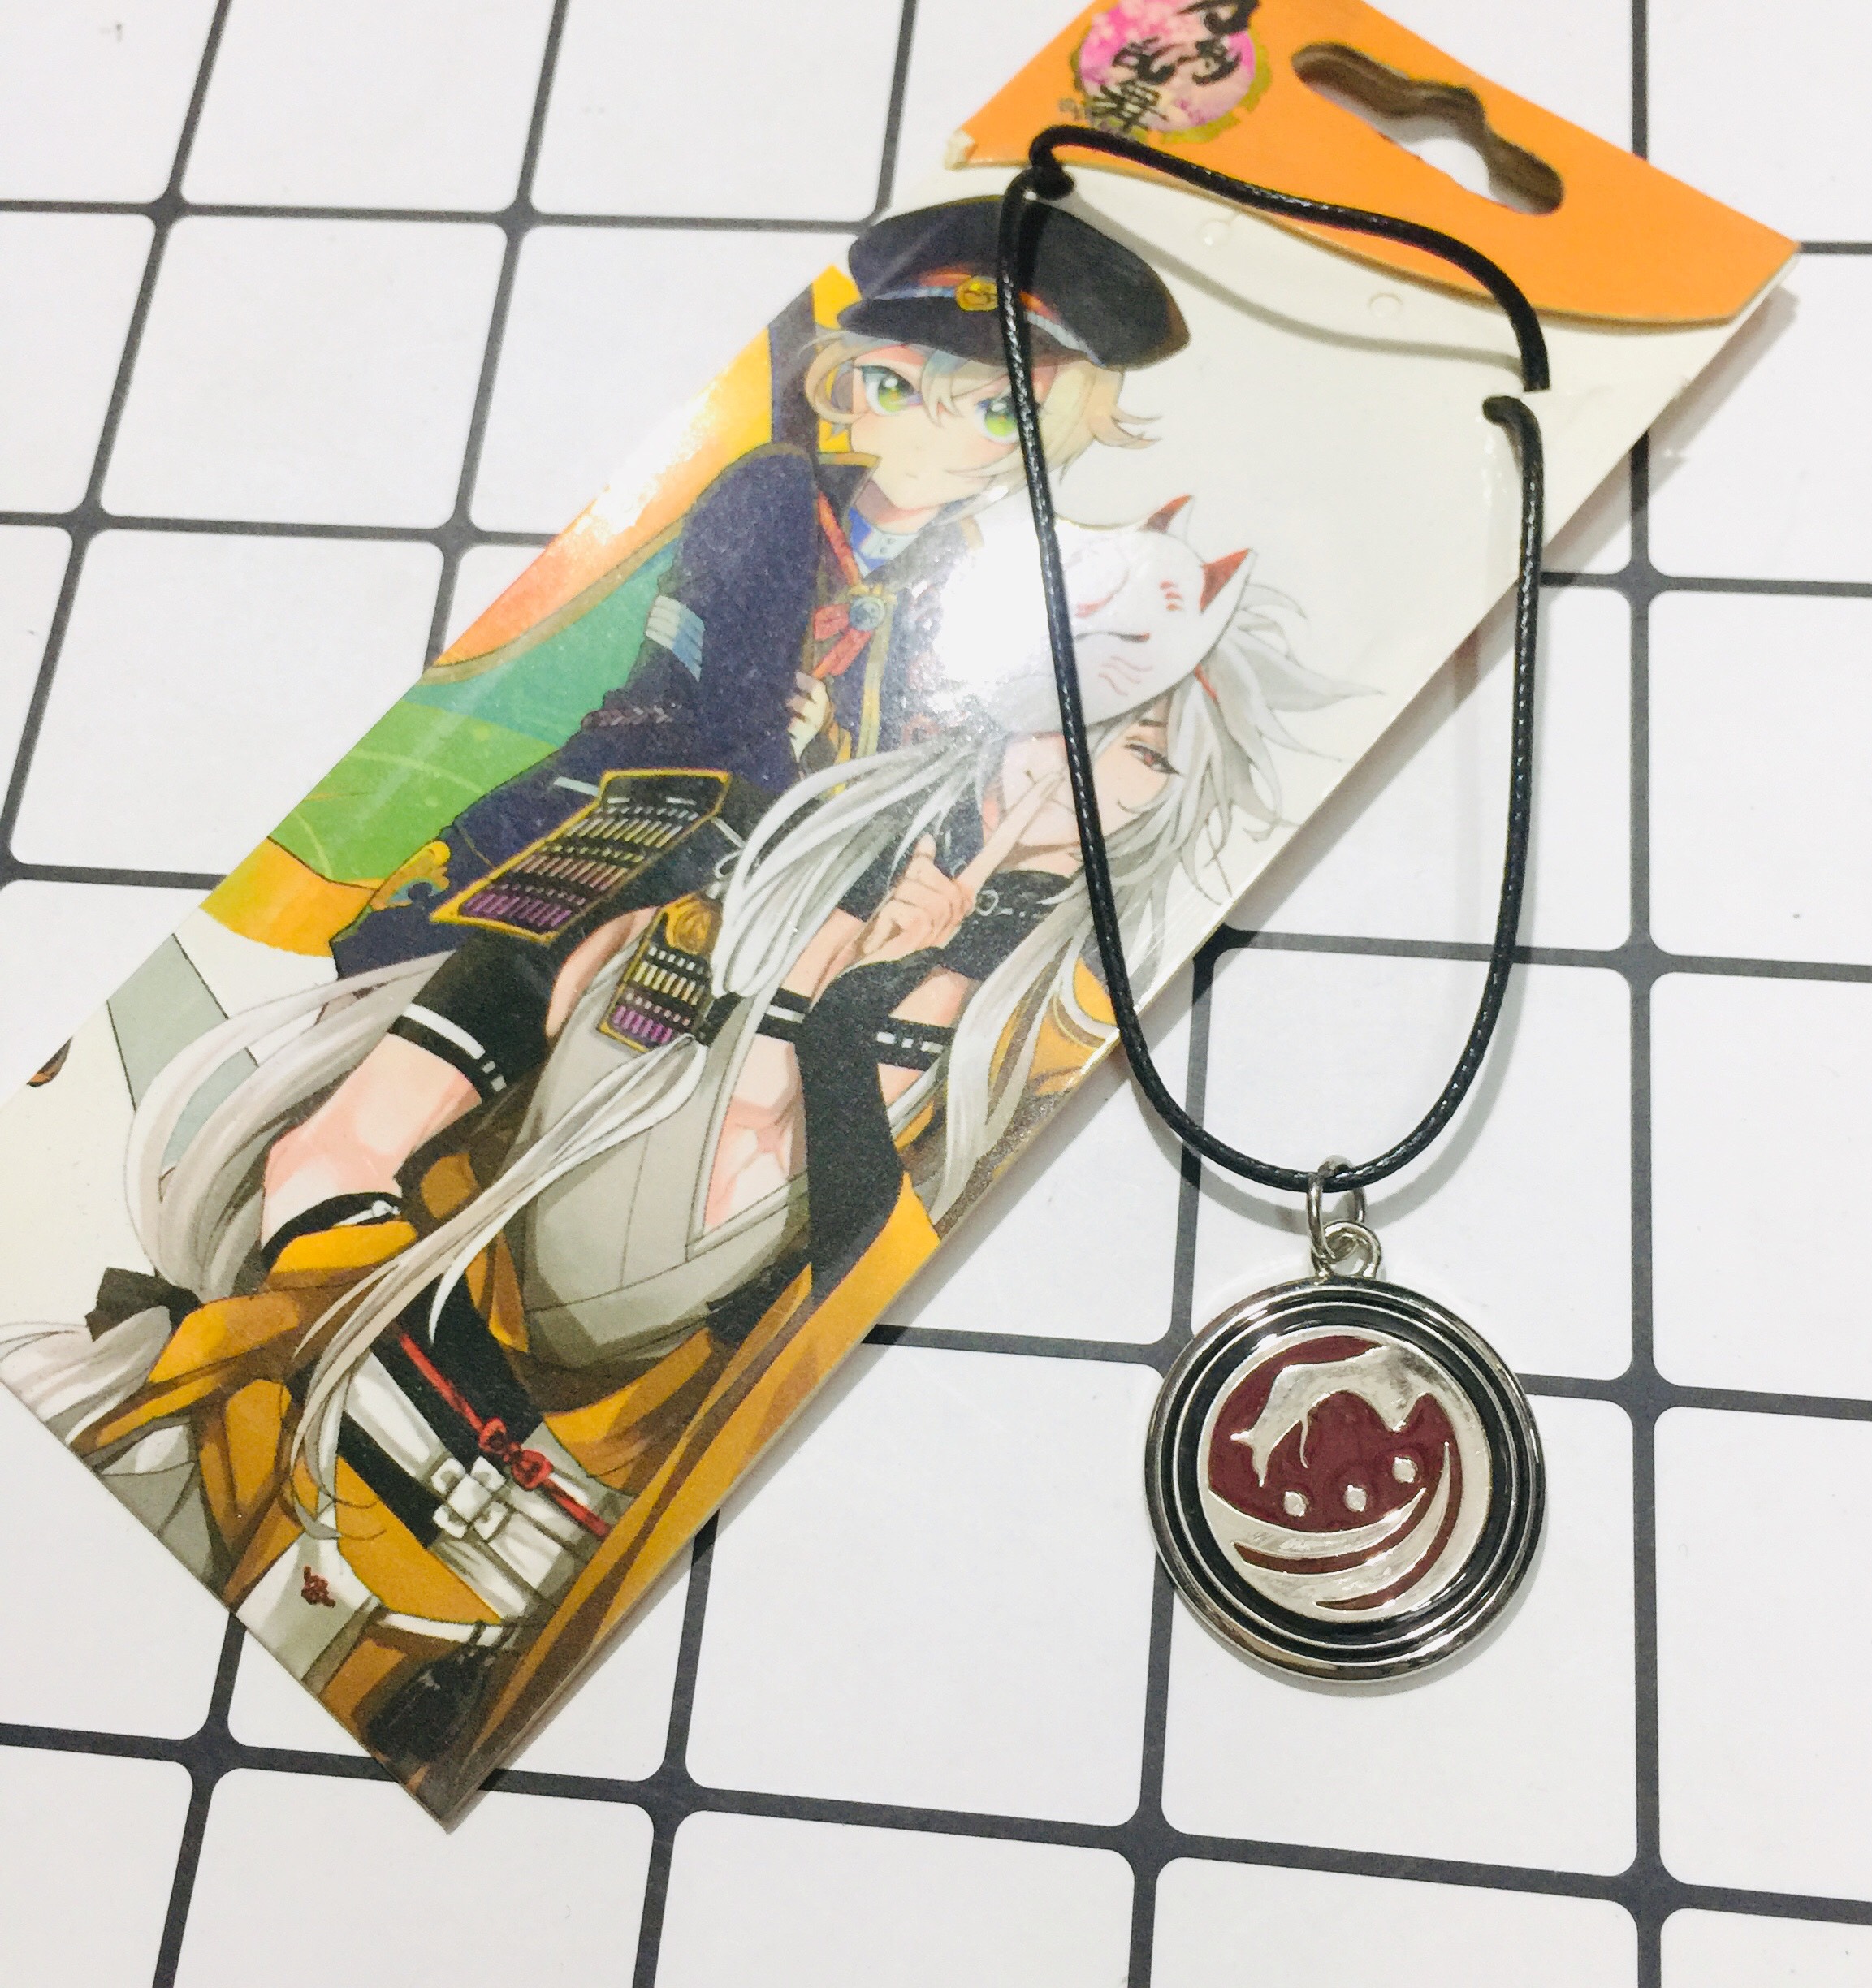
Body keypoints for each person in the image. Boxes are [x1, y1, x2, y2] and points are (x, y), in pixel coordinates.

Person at [42, 505, 1344, 1810]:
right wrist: (351, 1283)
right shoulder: (720, 848)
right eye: (1074, 708)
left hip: (587, 1495)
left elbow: (857, 1276)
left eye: (1140, 753)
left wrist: (848, 1024)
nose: (1074, 766)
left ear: (1177, 795)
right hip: (366, 1328)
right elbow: (342, 1144)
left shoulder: (1058, 1032)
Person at [334, 195, 1187, 975]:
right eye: (894, 386)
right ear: (849, 379)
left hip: (758, 876)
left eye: (996, 412)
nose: (934, 433)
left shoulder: (955, 571)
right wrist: (821, 786)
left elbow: (920, 749)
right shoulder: (776, 490)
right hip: (601, 825)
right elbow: (736, 720)